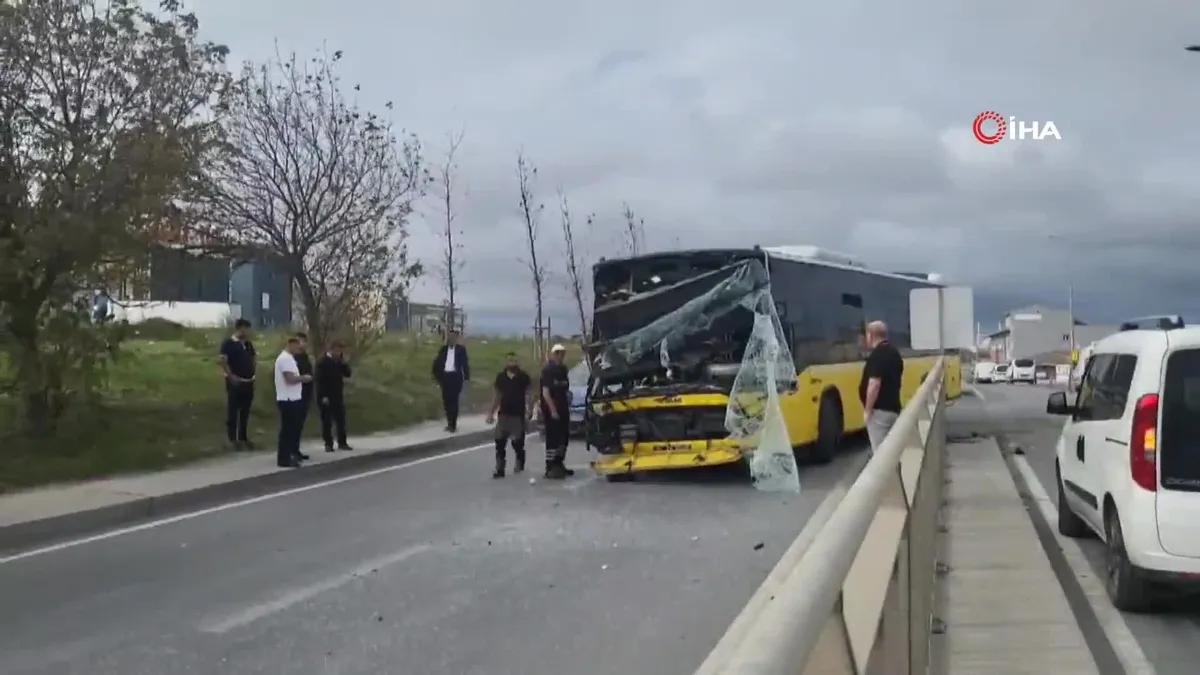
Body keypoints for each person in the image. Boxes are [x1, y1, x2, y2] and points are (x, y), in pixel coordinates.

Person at [860, 320, 904, 453]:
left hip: (879, 413)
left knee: (880, 454)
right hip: (893, 409)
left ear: (871, 335)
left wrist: (868, 410)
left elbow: (874, 384)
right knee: (891, 453)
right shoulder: (895, 353)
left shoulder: (877, 356)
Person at [486, 351, 532, 478]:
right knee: (500, 441)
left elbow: (528, 395)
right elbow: (497, 396)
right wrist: (491, 413)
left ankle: (520, 459)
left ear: (517, 362)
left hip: (518, 415)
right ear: (506, 362)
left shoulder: (523, 377)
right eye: (509, 360)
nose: (512, 362)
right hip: (504, 414)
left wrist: (529, 411)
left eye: (514, 360)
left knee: (517, 442)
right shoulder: (501, 378)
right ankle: (500, 468)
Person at [219, 319, 257, 450]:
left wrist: (253, 372)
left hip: (249, 381)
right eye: (245, 329)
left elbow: (253, 358)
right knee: (233, 409)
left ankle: (243, 437)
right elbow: (223, 361)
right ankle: (232, 438)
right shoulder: (228, 343)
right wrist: (231, 376)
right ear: (239, 329)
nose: (248, 332)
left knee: (245, 411)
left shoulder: (248, 344)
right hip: (235, 381)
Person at [274, 337, 312, 468]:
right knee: (288, 430)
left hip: (293, 397)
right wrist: (304, 378)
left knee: (292, 429)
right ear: (291, 345)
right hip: (288, 399)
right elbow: (289, 378)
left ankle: (290, 455)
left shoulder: (290, 358)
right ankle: (284, 458)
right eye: (297, 347)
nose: (299, 350)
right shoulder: (285, 359)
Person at [539, 344, 574, 479]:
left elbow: (565, 388)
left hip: (563, 407)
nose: (560, 356)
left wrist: (568, 398)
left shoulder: (563, 370)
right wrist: (553, 410)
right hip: (551, 409)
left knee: (563, 437)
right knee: (552, 438)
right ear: (553, 355)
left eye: (562, 353)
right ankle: (550, 467)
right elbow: (546, 393)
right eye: (557, 353)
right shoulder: (548, 370)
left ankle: (559, 463)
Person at [316, 341, 353, 452]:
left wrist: (344, 363)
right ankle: (328, 443)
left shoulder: (339, 362)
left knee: (341, 420)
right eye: (337, 350)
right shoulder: (322, 362)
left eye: (341, 351)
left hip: (338, 395)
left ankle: (342, 442)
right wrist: (323, 396)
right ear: (331, 350)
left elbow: (348, 374)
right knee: (327, 421)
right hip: (326, 396)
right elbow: (319, 381)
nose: (339, 353)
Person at [431, 329, 470, 432]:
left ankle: (453, 424)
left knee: (454, 401)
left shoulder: (461, 350)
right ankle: (449, 422)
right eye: (449, 337)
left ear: (456, 338)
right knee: (446, 401)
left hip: (455, 378)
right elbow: (437, 362)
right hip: (445, 378)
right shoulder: (443, 349)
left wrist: (466, 377)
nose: (451, 339)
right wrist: (435, 376)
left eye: (453, 337)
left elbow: (465, 364)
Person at [293, 332, 314, 461]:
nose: (302, 344)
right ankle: (291, 450)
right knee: (293, 424)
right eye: (300, 341)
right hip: (296, 394)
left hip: (306, 393)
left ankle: (296, 449)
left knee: (299, 424)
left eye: (304, 341)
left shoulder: (305, 356)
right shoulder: (292, 358)